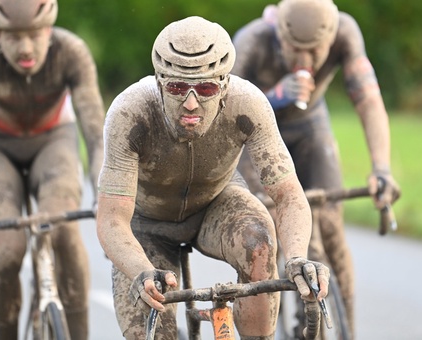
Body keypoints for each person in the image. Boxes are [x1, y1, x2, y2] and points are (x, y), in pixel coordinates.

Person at [96, 16, 330, 340]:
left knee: (258, 241)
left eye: (205, 88)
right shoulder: (129, 113)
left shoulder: (248, 104)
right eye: (177, 88)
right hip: (146, 225)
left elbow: (289, 195)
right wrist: (140, 270)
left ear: (224, 85)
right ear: (159, 81)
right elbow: (111, 219)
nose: (191, 103)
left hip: (215, 204)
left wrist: (297, 258)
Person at [231, 0, 401, 336]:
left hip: (310, 128)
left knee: (329, 227)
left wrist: (381, 168)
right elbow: (223, 118)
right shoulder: (253, 40)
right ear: (278, 32)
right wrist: (273, 96)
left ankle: (345, 329)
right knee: (265, 229)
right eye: (295, 50)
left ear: (331, 38)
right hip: (254, 137)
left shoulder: (345, 32)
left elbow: (368, 100)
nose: (305, 62)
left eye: (316, 51)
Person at [0, 0, 105, 338]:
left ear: (49, 29)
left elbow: (97, 140)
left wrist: (104, 194)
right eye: (11, 37)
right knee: (6, 252)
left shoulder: (71, 52)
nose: (25, 48)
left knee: (63, 228)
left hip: (53, 142)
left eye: (35, 35)